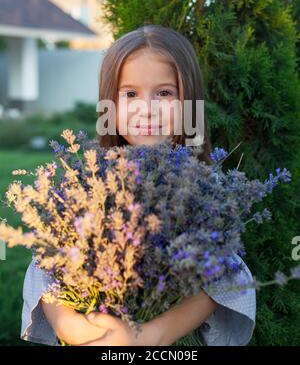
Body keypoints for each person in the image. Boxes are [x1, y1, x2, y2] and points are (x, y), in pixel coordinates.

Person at [21, 25, 256, 346]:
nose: (147, 108)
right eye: (130, 93)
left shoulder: (203, 189)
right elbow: (47, 262)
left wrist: (149, 335)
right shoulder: (87, 183)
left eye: (164, 93)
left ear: (189, 101)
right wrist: (74, 329)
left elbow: (226, 275)